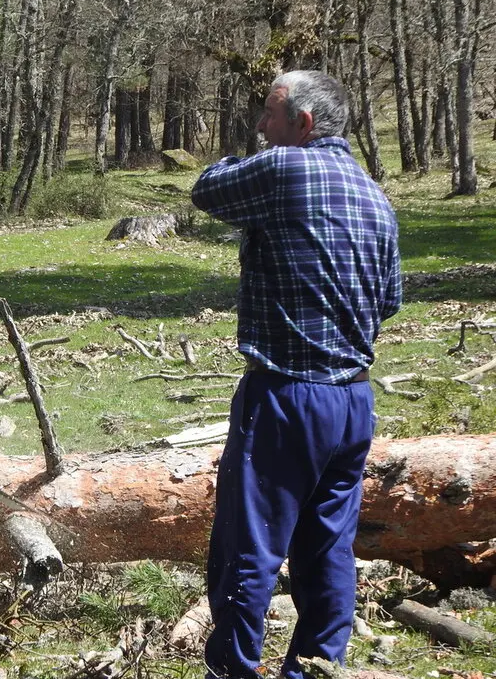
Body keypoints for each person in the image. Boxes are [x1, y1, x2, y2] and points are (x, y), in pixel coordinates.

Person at [190, 70, 402, 679]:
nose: (260, 125)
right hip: (353, 402)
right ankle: (316, 670)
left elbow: (208, 190)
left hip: (287, 394)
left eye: (269, 112)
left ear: (303, 123)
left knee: (248, 550)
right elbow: (387, 300)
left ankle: (231, 672)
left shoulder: (286, 169)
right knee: (329, 551)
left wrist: (243, 159)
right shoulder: (373, 194)